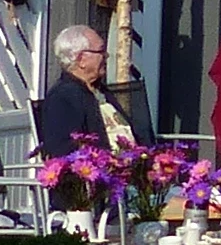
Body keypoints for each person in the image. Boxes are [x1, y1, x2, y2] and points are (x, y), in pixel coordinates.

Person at [30, 24, 147, 161]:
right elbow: (64, 152)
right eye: (101, 51)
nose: (106, 56)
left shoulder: (99, 91)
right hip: (105, 175)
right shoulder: (63, 97)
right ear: (81, 60)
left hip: (136, 169)